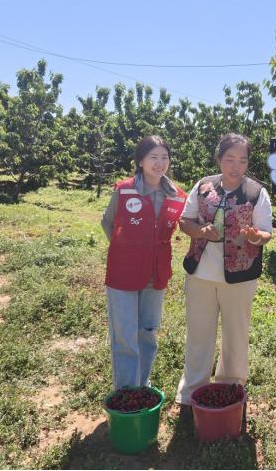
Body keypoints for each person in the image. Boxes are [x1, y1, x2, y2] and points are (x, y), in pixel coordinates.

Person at [175, 133, 272, 408]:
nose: (236, 166)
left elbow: (266, 232)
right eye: (229, 159)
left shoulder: (256, 192)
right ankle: (192, 390)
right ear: (219, 159)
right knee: (198, 333)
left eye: (242, 160)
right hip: (201, 275)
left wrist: (256, 237)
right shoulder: (204, 187)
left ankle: (230, 389)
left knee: (236, 334)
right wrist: (200, 230)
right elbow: (185, 221)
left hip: (239, 277)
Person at [101, 135, 187, 391]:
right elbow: (108, 222)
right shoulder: (125, 190)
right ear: (140, 161)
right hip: (123, 272)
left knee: (147, 331)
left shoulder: (176, 196)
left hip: (156, 272)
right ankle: (127, 393)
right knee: (125, 335)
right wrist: (126, 249)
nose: (159, 163)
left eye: (164, 157)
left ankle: (143, 383)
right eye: (153, 157)